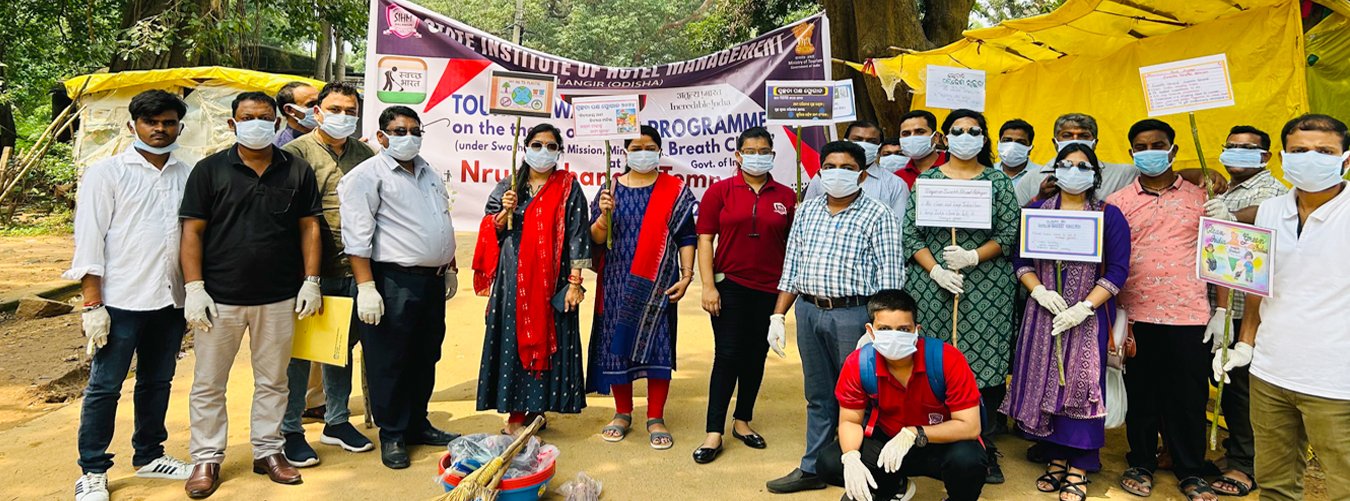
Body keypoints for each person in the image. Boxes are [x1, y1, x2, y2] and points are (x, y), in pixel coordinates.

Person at [180, 91, 323, 498]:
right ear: (233, 124)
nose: (256, 124)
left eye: (264, 117)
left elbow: (309, 226)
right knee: (209, 382)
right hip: (219, 298)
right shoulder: (209, 171)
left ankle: (268, 450)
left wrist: (311, 281)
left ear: (277, 122)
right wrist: (194, 288)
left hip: (278, 297)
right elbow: (192, 231)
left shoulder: (296, 169)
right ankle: (206, 458)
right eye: (247, 118)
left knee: (274, 380)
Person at [1213, 113, 1350, 501]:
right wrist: (1245, 343)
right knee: (1275, 484)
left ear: (1346, 159)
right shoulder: (1271, 210)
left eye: (1324, 151)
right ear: (1283, 158)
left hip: (1336, 382)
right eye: (1299, 151)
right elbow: (1257, 285)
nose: (1310, 159)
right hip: (1270, 373)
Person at [67, 90, 194, 501]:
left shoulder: (187, 173)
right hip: (121, 300)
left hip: (170, 299)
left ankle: (150, 454)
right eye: (151, 122)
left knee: (158, 381)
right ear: (132, 125)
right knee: (105, 387)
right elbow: (90, 240)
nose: (160, 129)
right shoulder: (106, 174)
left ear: (179, 127)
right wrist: (92, 304)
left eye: (168, 122)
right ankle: (92, 469)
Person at [765, 141, 905, 494]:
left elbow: (891, 278)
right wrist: (778, 315)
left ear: (861, 174)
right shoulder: (807, 211)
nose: (837, 173)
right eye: (829, 167)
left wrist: (877, 328)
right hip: (809, 310)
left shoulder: (878, 214)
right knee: (818, 394)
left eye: (846, 168)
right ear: (820, 172)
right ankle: (813, 467)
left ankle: (868, 474)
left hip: (854, 315)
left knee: (862, 396)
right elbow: (792, 267)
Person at [1001, 143, 1131, 501]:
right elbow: (1021, 261)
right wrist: (1040, 291)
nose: (1074, 171)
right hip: (1043, 314)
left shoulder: (1109, 215)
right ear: (1055, 171)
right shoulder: (1035, 212)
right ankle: (1056, 456)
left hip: (1087, 318)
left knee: (1080, 386)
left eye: (1083, 166)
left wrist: (1084, 307)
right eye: (1066, 164)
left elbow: (1118, 270)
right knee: (1047, 382)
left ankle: (1080, 465)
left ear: (1095, 174)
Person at [338, 106, 459, 469]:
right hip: (392, 280)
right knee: (389, 359)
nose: (409, 137)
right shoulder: (366, 176)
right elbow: (356, 236)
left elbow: (440, 220)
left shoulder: (427, 172)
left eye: (415, 131)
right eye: (400, 131)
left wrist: (448, 266)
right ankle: (392, 433)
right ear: (381, 136)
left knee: (425, 354)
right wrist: (366, 287)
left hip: (431, 281)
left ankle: (417, 423)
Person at [902, 108, 1019, 484]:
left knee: (983, 364)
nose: (965, 137)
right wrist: (935, 269)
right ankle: (934, 440)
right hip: (932, 286)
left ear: (984, 138)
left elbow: (1009, 233)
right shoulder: (928, 180)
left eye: (973, 131)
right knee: (932, 361)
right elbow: (910, 234)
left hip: (986, 287)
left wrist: (972, 256)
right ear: (944, 138)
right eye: (957, 131)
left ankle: (984, 445)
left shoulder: (998, 182)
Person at [1105, 119, 1217, 501]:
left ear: (1173, 150)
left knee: (1188, 397)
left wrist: (1221, 310)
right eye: (1141, 146)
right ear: (1131, 152)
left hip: (1190, 313)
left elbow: (1220, 253)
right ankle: (1140, 462)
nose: (1149, 151)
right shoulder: (1118, 202)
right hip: (1135, 313)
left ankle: (1191, 469)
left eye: (1157, 145)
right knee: (1142, 394)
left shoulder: (1202, 198)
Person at [278, 81, 376, 467]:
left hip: (353, 267)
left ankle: (337, 421)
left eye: (351, 112)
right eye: (335, 110)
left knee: (340, 349)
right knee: (302, 353)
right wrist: (306, 277)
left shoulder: (364, 154)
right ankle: (290, 429)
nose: (343, 117)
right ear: (317, 112)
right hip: (308, 272)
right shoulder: (294, 153)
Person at [473, 123, 590, 435]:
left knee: (552, 340)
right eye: (537, 145)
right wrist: (504, 213)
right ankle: (515, 416)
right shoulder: (510, 185)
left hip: (555, 278)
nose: (544, 151)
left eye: (551, 146)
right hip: (515, 278)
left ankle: (537, 412)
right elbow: (491, 229)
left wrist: (575, 283)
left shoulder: (568, 186)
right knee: (513, 339)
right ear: (525, 148)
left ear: (559, 152)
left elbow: (578, 234)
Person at [816, 290, 987, 501]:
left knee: (968, 460)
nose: (894, 336)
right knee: (830, 462)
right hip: (887, 445)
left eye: (904, 329)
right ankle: (890, 488)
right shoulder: (859, 364)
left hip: (940, 443)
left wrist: (915, 433)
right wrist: (851, 457)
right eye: (884, 329)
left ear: (916, 331)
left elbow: (970, 426)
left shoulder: (947, 359)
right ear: (870, 331)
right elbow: (850, 420)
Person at [587, 125, 698, 451]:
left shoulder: (674, 190)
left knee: (658, 346)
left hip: (659, 281)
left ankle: (655, 417)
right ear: (625, 152)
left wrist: (687, 274)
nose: (643, 153)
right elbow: (595, 237)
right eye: (636, 148)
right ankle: (622, 413)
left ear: (659, 151)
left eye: (649, 147)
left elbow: (686, 236)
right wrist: (604, 216)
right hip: (616, 279)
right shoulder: (609, 189)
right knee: (617, 347)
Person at [693, 126, 797, 464]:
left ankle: (742, 421)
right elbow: (705, 239)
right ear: (738, 155)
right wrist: (708, 286)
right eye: (750, 151)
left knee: (755, 357)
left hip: (770, 289)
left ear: (773, 155)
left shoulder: (787, 196)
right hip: (730, 285)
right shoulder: (719, 191)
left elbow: (794, 245)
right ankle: (714, 431)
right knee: (727, 355)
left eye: (763, 151)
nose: (757, 157)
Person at [1200, 125, 1286, 497]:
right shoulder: (1222, 189)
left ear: (1265, 156)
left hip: (1246, 310)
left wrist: (1233, 217)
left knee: (1242, 391)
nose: (1237, 152)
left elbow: (1266, 218)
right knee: (1221, 385)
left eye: (1247, 148)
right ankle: (1232, 453)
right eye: (1231, 146)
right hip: (1213, 306)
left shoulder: (1273, 192)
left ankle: (1245, 464)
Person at [805, 121, 909, 218]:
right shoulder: (823, 177)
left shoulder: (895, 184)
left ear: (879, 146)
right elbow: (808, 214)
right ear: (846, 141)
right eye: (857, 139)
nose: (864, 145)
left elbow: (898, 223)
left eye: (871, 141)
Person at [894, 110, 948, 188]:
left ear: (936, 137)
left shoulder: (955, 168)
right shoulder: (897, 178)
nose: (912, 137)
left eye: (920, 132)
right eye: (906, 134)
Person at [996, 119, 1039, 204]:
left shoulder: (1042, 175)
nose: (1012, 146)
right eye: (1007, 140)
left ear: (1030, 149)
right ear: (998, 144)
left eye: (1021, 142)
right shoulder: (986, 173)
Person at [274, 82, 319, 147]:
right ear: (289, 110)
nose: (319, 108)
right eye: (311, 104)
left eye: (320, 102)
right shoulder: (284, 147)